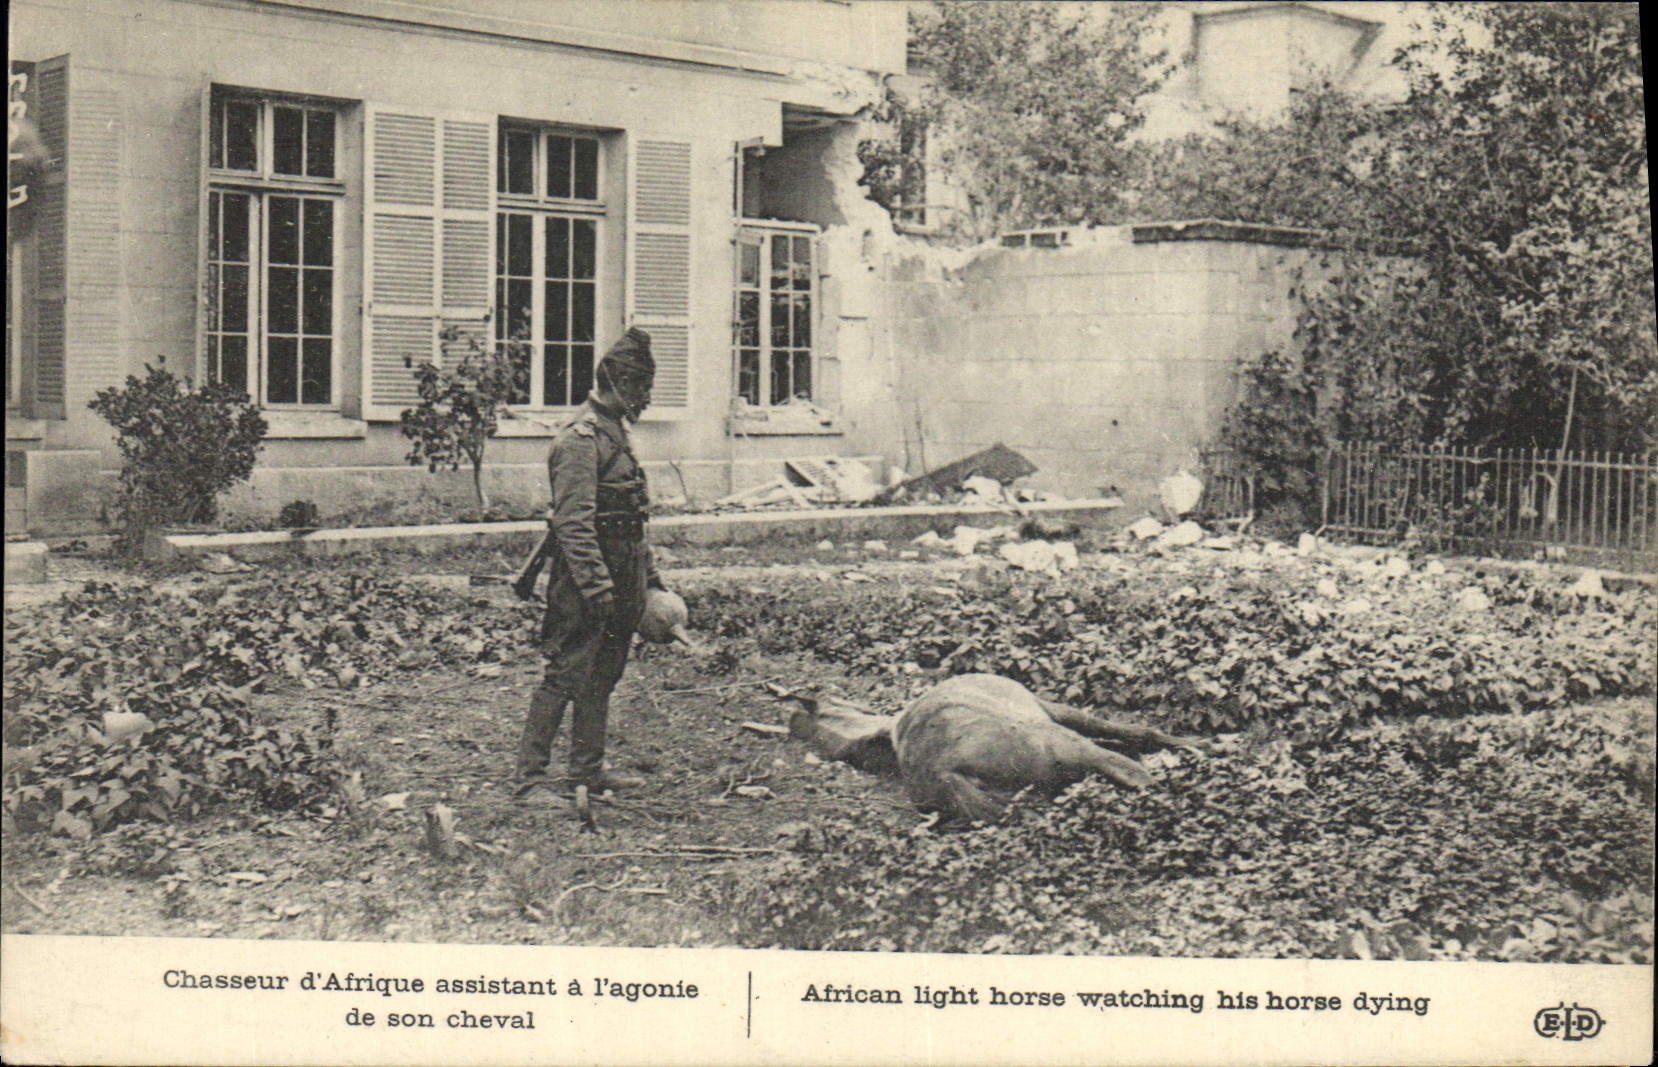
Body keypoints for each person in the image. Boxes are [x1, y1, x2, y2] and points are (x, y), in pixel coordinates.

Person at [515, 327, 667, 802]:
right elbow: (574, 526)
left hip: (622, 574)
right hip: (585, 581)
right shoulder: (580, 440)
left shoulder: (613, 433)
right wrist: (597, 588)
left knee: (604, 673)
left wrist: (651, 581)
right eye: (639, 387)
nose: (644, 398)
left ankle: (587, 770)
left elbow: (632, 520)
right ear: (617, 383)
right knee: (565, 673)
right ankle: (531, 780)